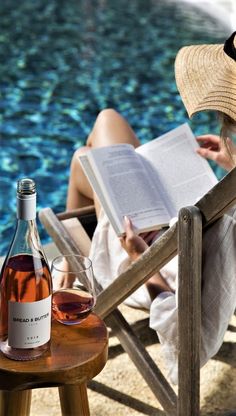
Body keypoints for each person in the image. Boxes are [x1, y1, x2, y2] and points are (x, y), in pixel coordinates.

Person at [66, 32, 236, 383]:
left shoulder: (231, 228)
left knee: (90, 148)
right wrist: (231, 165)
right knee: (96, 147)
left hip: (151, 261)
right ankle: (70, 275)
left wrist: (140, 260)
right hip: (176, 241)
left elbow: (192, 340)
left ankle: (71, 278)